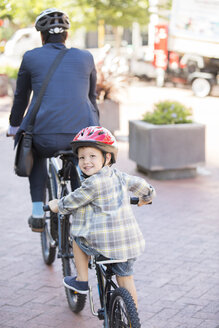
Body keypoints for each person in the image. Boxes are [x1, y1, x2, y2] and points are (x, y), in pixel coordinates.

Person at [7, 8, 99, 232]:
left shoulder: (31, 57)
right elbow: (91, 97)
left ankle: (38, 212)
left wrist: (13, 125)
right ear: (66, 35)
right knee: (82, 161)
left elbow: (21, 97)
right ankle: (84, 210)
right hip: (80, 135)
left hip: (44, 135)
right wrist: (95, 130)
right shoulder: (86, 57)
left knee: (36, 152)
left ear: (41, 36)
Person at [48, 126, 156, 307]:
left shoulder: (91, 184)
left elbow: (71, 201)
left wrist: (56, 205)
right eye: (82, 157)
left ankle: (81, 281)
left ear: (106, 157)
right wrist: (145, 198)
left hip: (103, 244)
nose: (86, 162)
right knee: (126, 279)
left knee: (77, 237)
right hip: (129, 244)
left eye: (92, 156)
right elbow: (143, 186)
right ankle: (132, 320)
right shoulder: (120, 176)